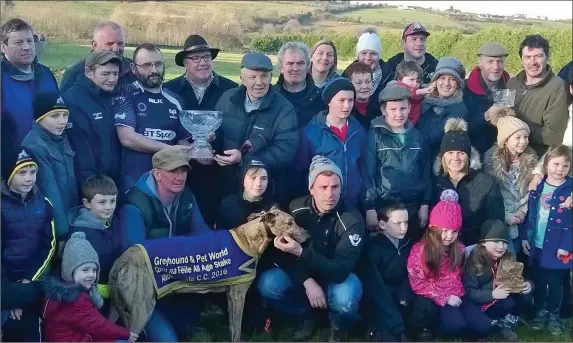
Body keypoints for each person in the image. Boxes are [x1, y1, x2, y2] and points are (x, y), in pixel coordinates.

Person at [258, 156, 365, 342]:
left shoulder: (352, 219)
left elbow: (340, 271)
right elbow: (284, 256)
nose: (329, 194)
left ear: (341, 188)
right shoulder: (296, 209)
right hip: (306, 274)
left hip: (337, 277)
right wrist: (307, 281)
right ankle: (307, 315)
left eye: (335, 187)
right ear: (311, 189)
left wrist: (301, 252)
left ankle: (339, 325)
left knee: (345, 299)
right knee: (268, 284)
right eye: (323, 187)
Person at [117, 147, 210, 341]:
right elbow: (135, 255)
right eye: (173, 171)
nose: (180, 177)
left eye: (183, 171)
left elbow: (203, 235)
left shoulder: (186, 195)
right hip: (145, 287)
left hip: (175, 278)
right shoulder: (134, 204)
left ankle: (183, 321)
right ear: (157, 174)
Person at [164, 34, 238, 227]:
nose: (203, 63)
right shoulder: (169, 90)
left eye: (206, 57)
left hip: (218, 173)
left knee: (213, 227)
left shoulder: (231, 90)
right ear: (185, 63)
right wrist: (181, 145)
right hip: (179, 171)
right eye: (196, 58)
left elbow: (236, 125)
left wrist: (214, 139)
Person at [214, 52, 298, 206]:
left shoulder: (284, 109)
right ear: (242, 78)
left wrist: (244, 159)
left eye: (264, 76)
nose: (259, 82)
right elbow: (215, 130)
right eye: (253, 77)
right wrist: (209, 141)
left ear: (271, 77)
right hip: (225, 184)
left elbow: (285, 150)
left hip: (263, 191)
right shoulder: (227, 99)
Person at [407, 189, 489, 340]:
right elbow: (418, 284)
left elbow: (463, 274)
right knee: (455, 326)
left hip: (459, 294)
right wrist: (444, 298)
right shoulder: (420, 250)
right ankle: (432, 325)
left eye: (454, 232)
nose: (449, 236)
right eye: (444, 231)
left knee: (483, 327)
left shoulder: (459, 249)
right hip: (436, 297)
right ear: (433, 228)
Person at [113, 43, 191, 192]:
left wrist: (198, 149)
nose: (154, 70)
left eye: (158, 64)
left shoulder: (176, 100)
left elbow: (183, 141)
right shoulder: (125, 93)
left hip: (170, 186)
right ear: (134, 68)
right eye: (147, 65)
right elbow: (127, 138)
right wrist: (170, 150)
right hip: (135, 184)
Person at [1, 148, 55, 342]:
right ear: (9, 174)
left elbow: (49, 245)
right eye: (22, 173)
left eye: (32, 172)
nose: (29, 178)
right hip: (4, 282)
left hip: (30, 280)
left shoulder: (44, 204)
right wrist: (12, 294)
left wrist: (27, 281)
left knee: (30, 329)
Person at [42, 232, 137, 342]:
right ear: (70, 271)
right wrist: (126, 334)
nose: (91, 274)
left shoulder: (61, 290)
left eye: (94, 270)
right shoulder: (75, 300)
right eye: (85, 270)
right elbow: (99, 325)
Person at [364, 84, 431, 241]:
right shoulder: (375, 136)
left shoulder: (417, 136)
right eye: (393, 109)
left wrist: (425, 204)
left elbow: (425, 172)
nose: (398, 114)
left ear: (409, 108)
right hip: (385, 206)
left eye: (402, 108)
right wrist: (370, 208)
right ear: (383, 111)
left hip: (412, 207)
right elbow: (367, 173)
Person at [520, 144, 572, 336]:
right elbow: (531, 215)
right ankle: (540, 311)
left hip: (559, 247)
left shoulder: (570, 189)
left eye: (565, 166)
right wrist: (527, 236)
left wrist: (567, 246)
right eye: (556, 164)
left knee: (556, 282)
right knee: (540, 280)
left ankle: (554, 314)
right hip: (538, 244)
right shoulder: (538, 186)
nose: (560, 169)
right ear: (546, 164)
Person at [433, 118, 505, 246]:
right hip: (442, 247)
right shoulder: (435, 182)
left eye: (461, 153)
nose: (455, 158)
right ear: (443, 156)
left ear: (469, 156)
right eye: (450, 153)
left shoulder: (486, 182)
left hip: (475, 246)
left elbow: (495, 220)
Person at [297, 77, 366, 208]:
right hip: (323, 205)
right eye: (341, 100)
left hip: (353, 203)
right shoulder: (310, 134)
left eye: (351, 100)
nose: (347, 106)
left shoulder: (358, 130)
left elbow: (364, 168)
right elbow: (301, 171)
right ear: (329, 101)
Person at [464, 219, 534, 342]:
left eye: (505, 242)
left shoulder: (507, 256)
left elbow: (520, 277)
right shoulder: (474, 262)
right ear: (484, 242)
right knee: (483, 323)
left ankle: (504, 325)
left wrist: (527, 284)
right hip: (483, 303)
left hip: (504, 299)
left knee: (525, 299)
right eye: (496, 241)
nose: (501, 246)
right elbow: (469, 292)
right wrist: (492, 294)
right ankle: (491, 324)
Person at [21, 92, 78, 243]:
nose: (62, 122)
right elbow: (50, 191)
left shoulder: (61, 137)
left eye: (65, 115)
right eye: (55, 116)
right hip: (55, 227)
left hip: (70, 215)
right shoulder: (35, 146)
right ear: (40, 118)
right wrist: (61, 234)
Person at [63, 50, 123, 187]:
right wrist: (92, 187)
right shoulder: (74, 101)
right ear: (89, 72)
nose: (112, 79)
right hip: (91, 186)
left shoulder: (111, 95)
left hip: (111, 183)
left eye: (116, 74)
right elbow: (80, 152)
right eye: (105, 74)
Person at [483, 107, 538, 254]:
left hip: (523, 221)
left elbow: (532, 189)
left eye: (526, 137)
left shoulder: (531, 161)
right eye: (518, 138)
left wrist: (522, 210)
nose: (523, 142)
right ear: (505, 140)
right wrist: (506, 215)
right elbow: (491, 195)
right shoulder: (491, 162)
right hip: (502, 221)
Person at [358, 200, 413, 342]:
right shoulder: (373, 248)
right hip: (381, 295)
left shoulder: (408, 244)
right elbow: (374, 286)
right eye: (398, 223)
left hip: (403, 292)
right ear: (382, 225)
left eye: (406, 222)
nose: (403, 228)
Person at [506, 34, 569, 156]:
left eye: (538, 56)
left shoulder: (558, 87)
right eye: (527, 57)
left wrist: (517, 130)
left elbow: (553, 136)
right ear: (521, 59)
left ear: (547, 57)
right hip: (507, 154)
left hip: (534, 157)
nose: (532, 62)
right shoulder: (512, 83)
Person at [1, 18, 59, 146]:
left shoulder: (46, 74)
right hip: (13, 162)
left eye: (30, 41)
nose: (26, 47)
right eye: (18, 42)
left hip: (47, 160)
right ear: (4, 47)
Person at [68, 175, 120, 302]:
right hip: (93, 296)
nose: (109, 207)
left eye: (112, 201)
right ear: (87, 203)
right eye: (102, 202)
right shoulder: (81, 233)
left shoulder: (114, 222)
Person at [416, 56, 468, 159]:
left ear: (458, 84)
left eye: (452, 79)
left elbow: (434, 136)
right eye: (442, 78)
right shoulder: (424, 99)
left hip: (435, 161)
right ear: (435, 80)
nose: (446, 83)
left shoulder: (459, 109)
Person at [60, 21, 135, 93]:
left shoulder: (133, 69)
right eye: (110, 44)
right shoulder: (75, 72)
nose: (116, 49)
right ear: (95, 45)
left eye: (120, 43)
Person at [464, 42, 510, 155]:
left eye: (500, 61)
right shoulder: (464, 89)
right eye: (490, 61)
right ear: (480, 64)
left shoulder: (511, 88)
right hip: (473, 153)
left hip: (502, 155)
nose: (495, 67)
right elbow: (462, 127)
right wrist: (485, 117)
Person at [275, 42, 325, 128]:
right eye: (290, 63)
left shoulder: (321, 98)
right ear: (281, 68)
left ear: (307, 66)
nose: (295, 68)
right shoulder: (270, 96)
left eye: (300, 63)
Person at [216, 160, 277, 230]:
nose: (258, 184)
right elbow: (220, 235)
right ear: (243, 180)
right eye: (253, 178)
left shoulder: (273, 209)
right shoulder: (228, 204)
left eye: (263, 178)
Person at [382, 22, 438, 89]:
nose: (419, 43)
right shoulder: (392, 65)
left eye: (422, 39)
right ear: (403, 43)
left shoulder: (436, 65)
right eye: (414, 39)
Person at [343, 61, 380, 131]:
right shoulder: (345, 109)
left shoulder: (380, 107)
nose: (364, 86)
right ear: (349, 84)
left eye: (368, 82)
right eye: (359, 83)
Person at [393, 60, 433, 125]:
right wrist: (421, 91)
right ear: (400, 79)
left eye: (417, 81)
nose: (415, 84)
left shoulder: (418, 95)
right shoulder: (398, 88)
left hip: (412, 126)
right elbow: (408, 94)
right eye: (411, 80)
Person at [355, 27, 387, 98]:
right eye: (364, 53)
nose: (368, 58)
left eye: (373, 53)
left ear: (379, 56)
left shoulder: (389, 78)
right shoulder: (347, 77)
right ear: (358, 56)